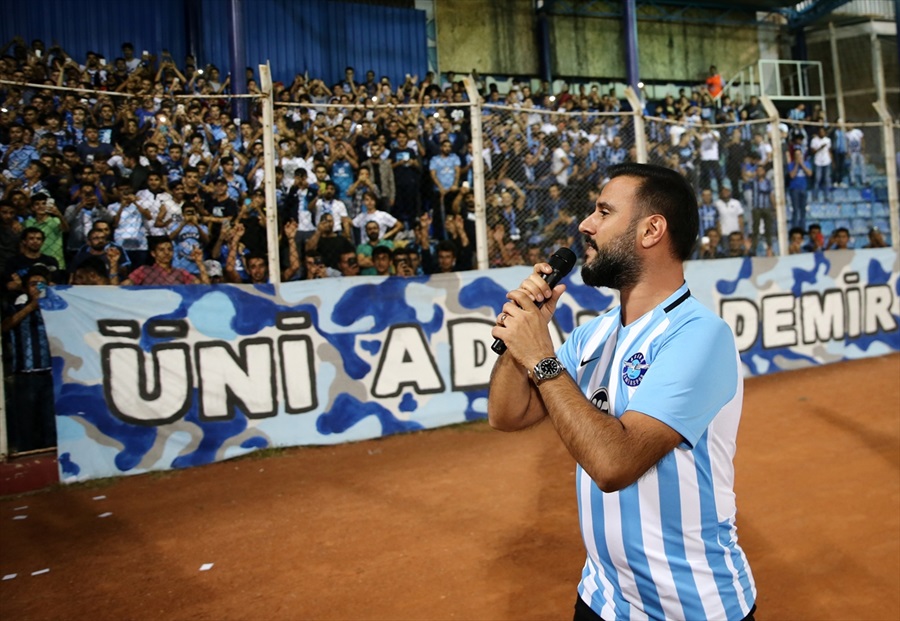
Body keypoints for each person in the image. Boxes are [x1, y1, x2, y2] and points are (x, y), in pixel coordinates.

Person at [487, 163, 756, 621]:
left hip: (691, 608)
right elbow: (507, 414)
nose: (585, 225)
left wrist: (540, 357)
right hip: (602, 600)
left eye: (603, 212)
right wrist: (524, 337)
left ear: (652, 230)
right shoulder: (594, 335)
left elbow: (614, 464)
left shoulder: (700, 336)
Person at [2, 266, 56, 452]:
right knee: (26, 421)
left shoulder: (57, 309)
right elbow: (5, 326)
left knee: (51, 420)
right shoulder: (15, 306)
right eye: (33, 284)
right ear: (25, 288)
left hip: (51, 373)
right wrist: (31, 307)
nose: (38, 288)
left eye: (42, 284)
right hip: (25, 374)